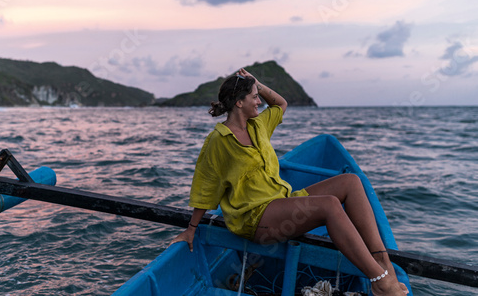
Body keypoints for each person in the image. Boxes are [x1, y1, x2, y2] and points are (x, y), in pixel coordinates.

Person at [170, 68, 408, 295]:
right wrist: (191, 229)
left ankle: (382, 261)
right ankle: (380, 281)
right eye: (254, 97)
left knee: (350, 182)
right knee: (329, 205)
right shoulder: (218, 141)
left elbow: (280, 104)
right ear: (239, 102)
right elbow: (206, 185)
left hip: (281, 201)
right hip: (254, 218)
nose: (259, 102)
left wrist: (258, 84)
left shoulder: (258, 125)